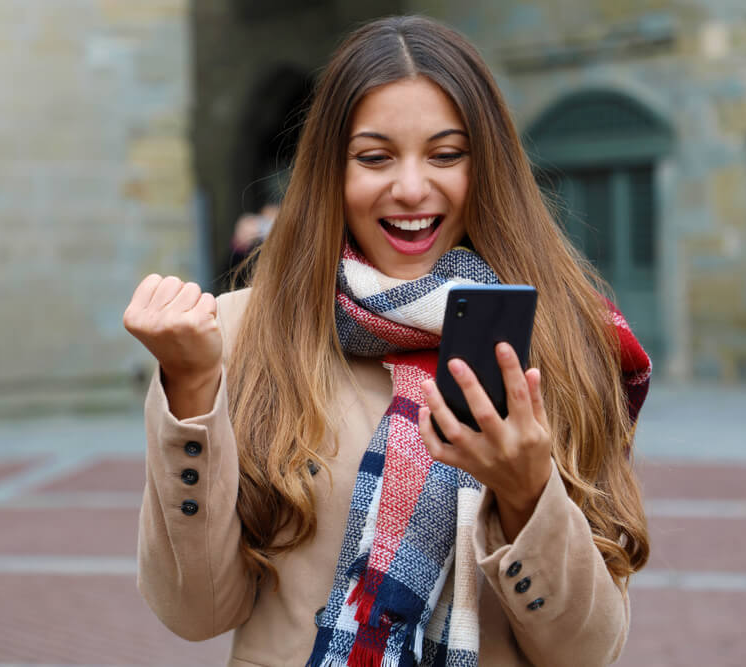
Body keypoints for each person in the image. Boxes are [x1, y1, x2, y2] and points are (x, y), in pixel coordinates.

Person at [123, 15, 652, 667]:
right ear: (332, 174)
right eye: (375, 157)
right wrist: (191, 390)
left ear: (486, 167)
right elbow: (196, 611)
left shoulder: (568, 339)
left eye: (445, 154)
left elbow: (589, 652)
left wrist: (527, 493)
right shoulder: (237, 334)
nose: (409, 187)